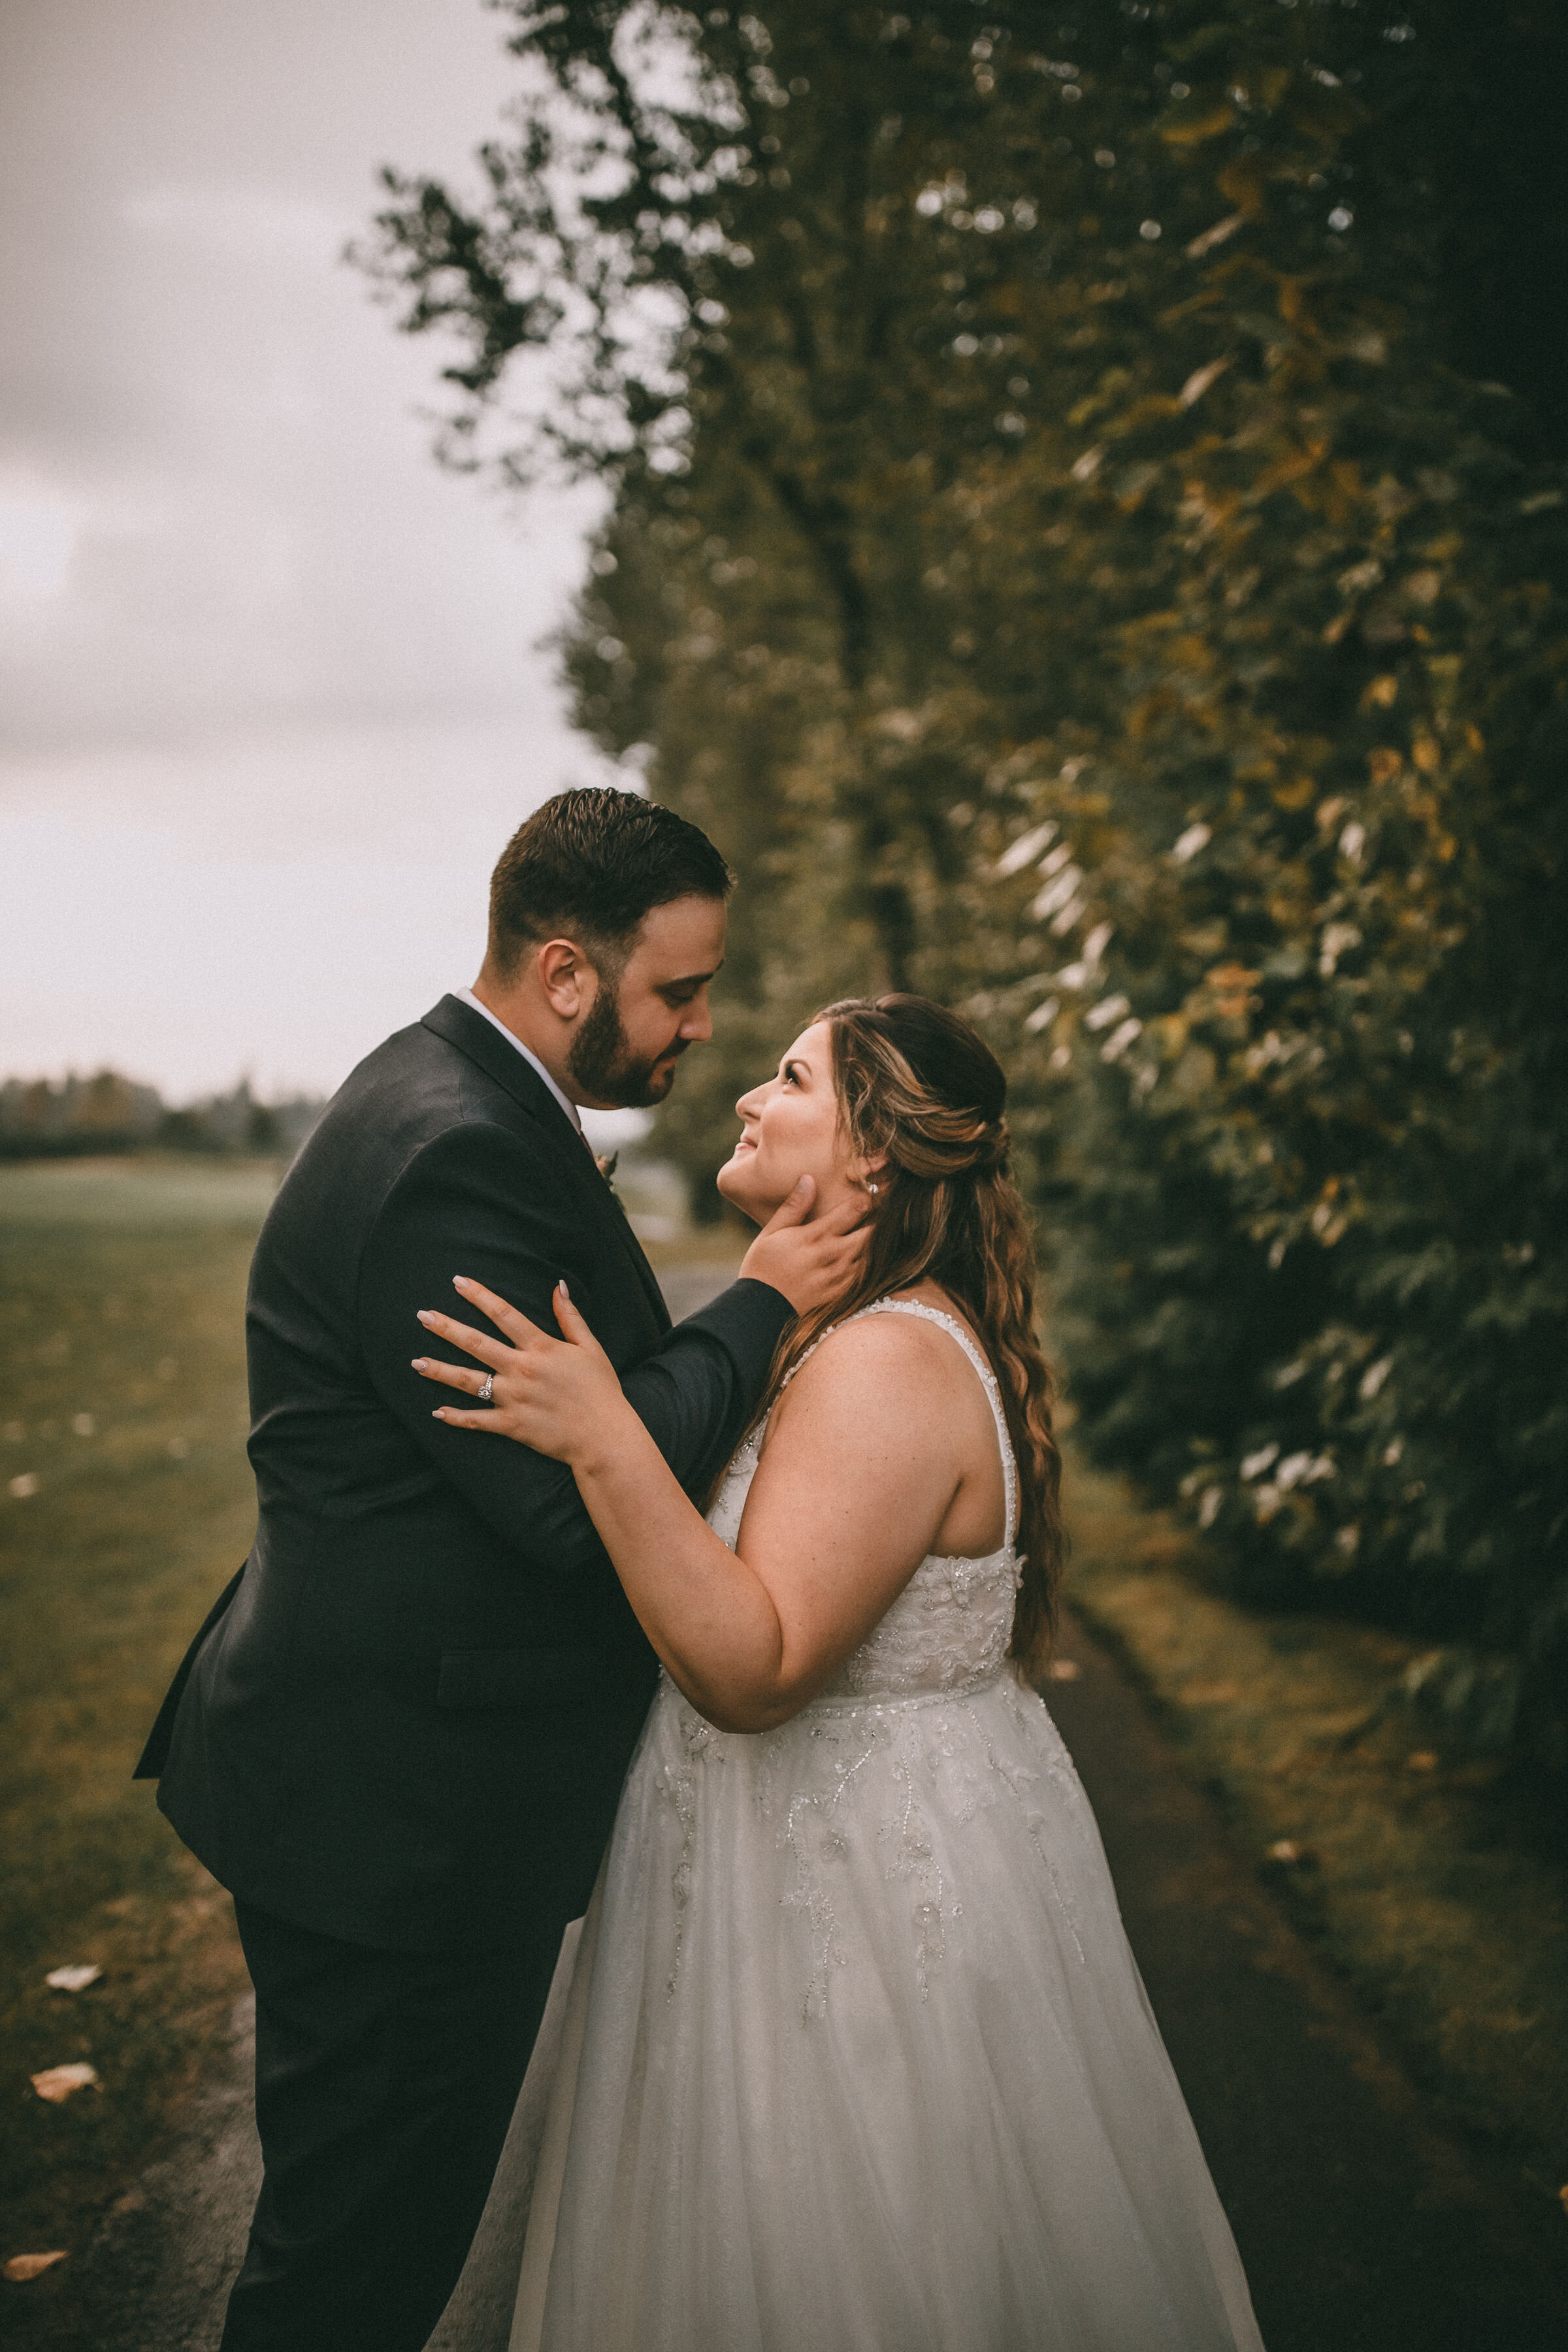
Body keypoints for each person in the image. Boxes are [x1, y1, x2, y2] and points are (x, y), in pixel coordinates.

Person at [416, 992, 1266, 2352]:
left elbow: (756, 1669)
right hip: (771, 1873)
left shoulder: (884, 1362)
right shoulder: (839, 1333)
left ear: (875, 1156)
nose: (750, 1096)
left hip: (858, 1911)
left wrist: (603, 1439)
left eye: (791, 1074)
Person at [134, 789, 867, 2352]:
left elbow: (594, 1403)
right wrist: (759, 1303)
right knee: (351, 2271)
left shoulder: (470, 1100)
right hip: (395, 1811)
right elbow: (561, 1502)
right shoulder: (451, 1153)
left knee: (369, 2249)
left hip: (389, 1781)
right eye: (678, 989)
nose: (699, 1025)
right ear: (564, 974)